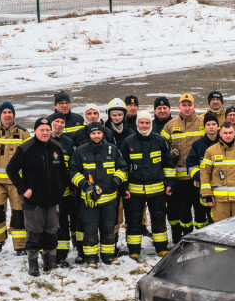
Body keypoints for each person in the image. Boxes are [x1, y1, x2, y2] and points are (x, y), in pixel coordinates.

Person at [5, 117, 67, 276]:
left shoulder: (56, 147)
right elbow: (11, 169)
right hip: (34, 201)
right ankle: (33, 265)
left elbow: (63, 172)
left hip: (52, 200)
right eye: (42, 130)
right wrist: (23, 188)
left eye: (47, 130)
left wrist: (60, 189)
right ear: (35, 131)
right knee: (34, 232)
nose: (45, 132)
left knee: (51, 231)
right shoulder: (26, 148)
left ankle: (50, 263)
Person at [69, 122, 127, 267]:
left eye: (99, 133)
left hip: (109, 200)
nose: (96, 136)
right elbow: (72, 171)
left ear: (103, 134)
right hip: (89, 201)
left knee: (108, 230)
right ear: (89, 135)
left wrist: (116, 181)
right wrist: (83, 184)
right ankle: (91, 259)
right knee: (90, 231)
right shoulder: (80, 151)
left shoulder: (112, 149)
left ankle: (108, 257)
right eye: (93, 133)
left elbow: (123, 168)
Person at [121, 110, 172, 260]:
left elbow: (167, 164)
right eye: (141, 123)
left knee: (159, 219)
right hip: (134, 192)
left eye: (147, 123)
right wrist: (124, 187)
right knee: (134, 221)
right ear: (137, 123)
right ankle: (134, 251)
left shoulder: (159, 140)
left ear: (151, 123)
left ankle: (161, 248)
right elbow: (122, 167)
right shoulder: (128, 142)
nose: (144, 126)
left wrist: (170, 183)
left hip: (157, 191)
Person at [0, 101, 31, 254]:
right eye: (4, 112)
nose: (7, 115)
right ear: (0, 115)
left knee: (18, 214)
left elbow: (30, 160)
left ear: (13, 115)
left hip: (16, 183)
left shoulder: (23, 133)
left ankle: (20, 246)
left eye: (10, 112)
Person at [160, 93, 205, 243]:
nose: (187, 108)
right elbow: (161, 148)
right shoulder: (170, 125)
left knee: (200, 210)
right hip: (179, 179)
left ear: (194, 106)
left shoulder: (203, 122)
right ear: (179, 107)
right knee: (182, 211)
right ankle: (182, 239)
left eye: (189, 105)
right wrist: (169, 154)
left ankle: (201, 240)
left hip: (199, 178)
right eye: (184, 105)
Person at [198, 122, 235, 223]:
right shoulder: (211, 151)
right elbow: (205, 173)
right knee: (220, 229)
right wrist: (207, 194)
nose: (228, 135)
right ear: (220, 134)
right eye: (225, 133)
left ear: (234, 133)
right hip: (219, 201)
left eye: (230, 132)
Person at [48, 114, 80, 266]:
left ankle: (61, 256)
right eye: (57, 122)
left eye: (62, 122)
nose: (60, 124)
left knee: (63, 224)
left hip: (66, 192)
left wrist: (73, 185)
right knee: (48, 224)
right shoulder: (43, 139)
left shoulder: (68, 142)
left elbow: (73, 166)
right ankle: (48, 254)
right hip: (47, 192)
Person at [184, 112, 221, 232]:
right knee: (201, 218)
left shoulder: (223, 143)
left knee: (217, 218)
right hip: (201, 188)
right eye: (208, 124)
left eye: (214, 124)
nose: (211, 126)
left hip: (220, 188)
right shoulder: (197, 145)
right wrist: (202, 177)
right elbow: (190, 165)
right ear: (204, 127)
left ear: (218, 126)